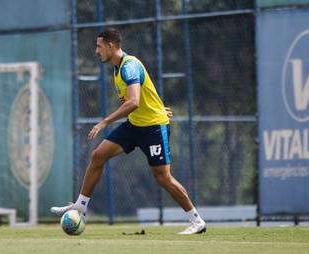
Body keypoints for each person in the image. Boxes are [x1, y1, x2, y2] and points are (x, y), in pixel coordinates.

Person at [51, 28, 206, 234]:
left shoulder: (128, 67)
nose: (96, 51)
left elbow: (133, 101)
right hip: (135, 125)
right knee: (98, 156)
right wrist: (157, 105)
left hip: (152, 128)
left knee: (163, 178)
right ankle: (80, 206)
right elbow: (145, 91)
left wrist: (104, 122)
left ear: (110, 46)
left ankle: (196, 221)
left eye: (99, 46)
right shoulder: (117, 69)